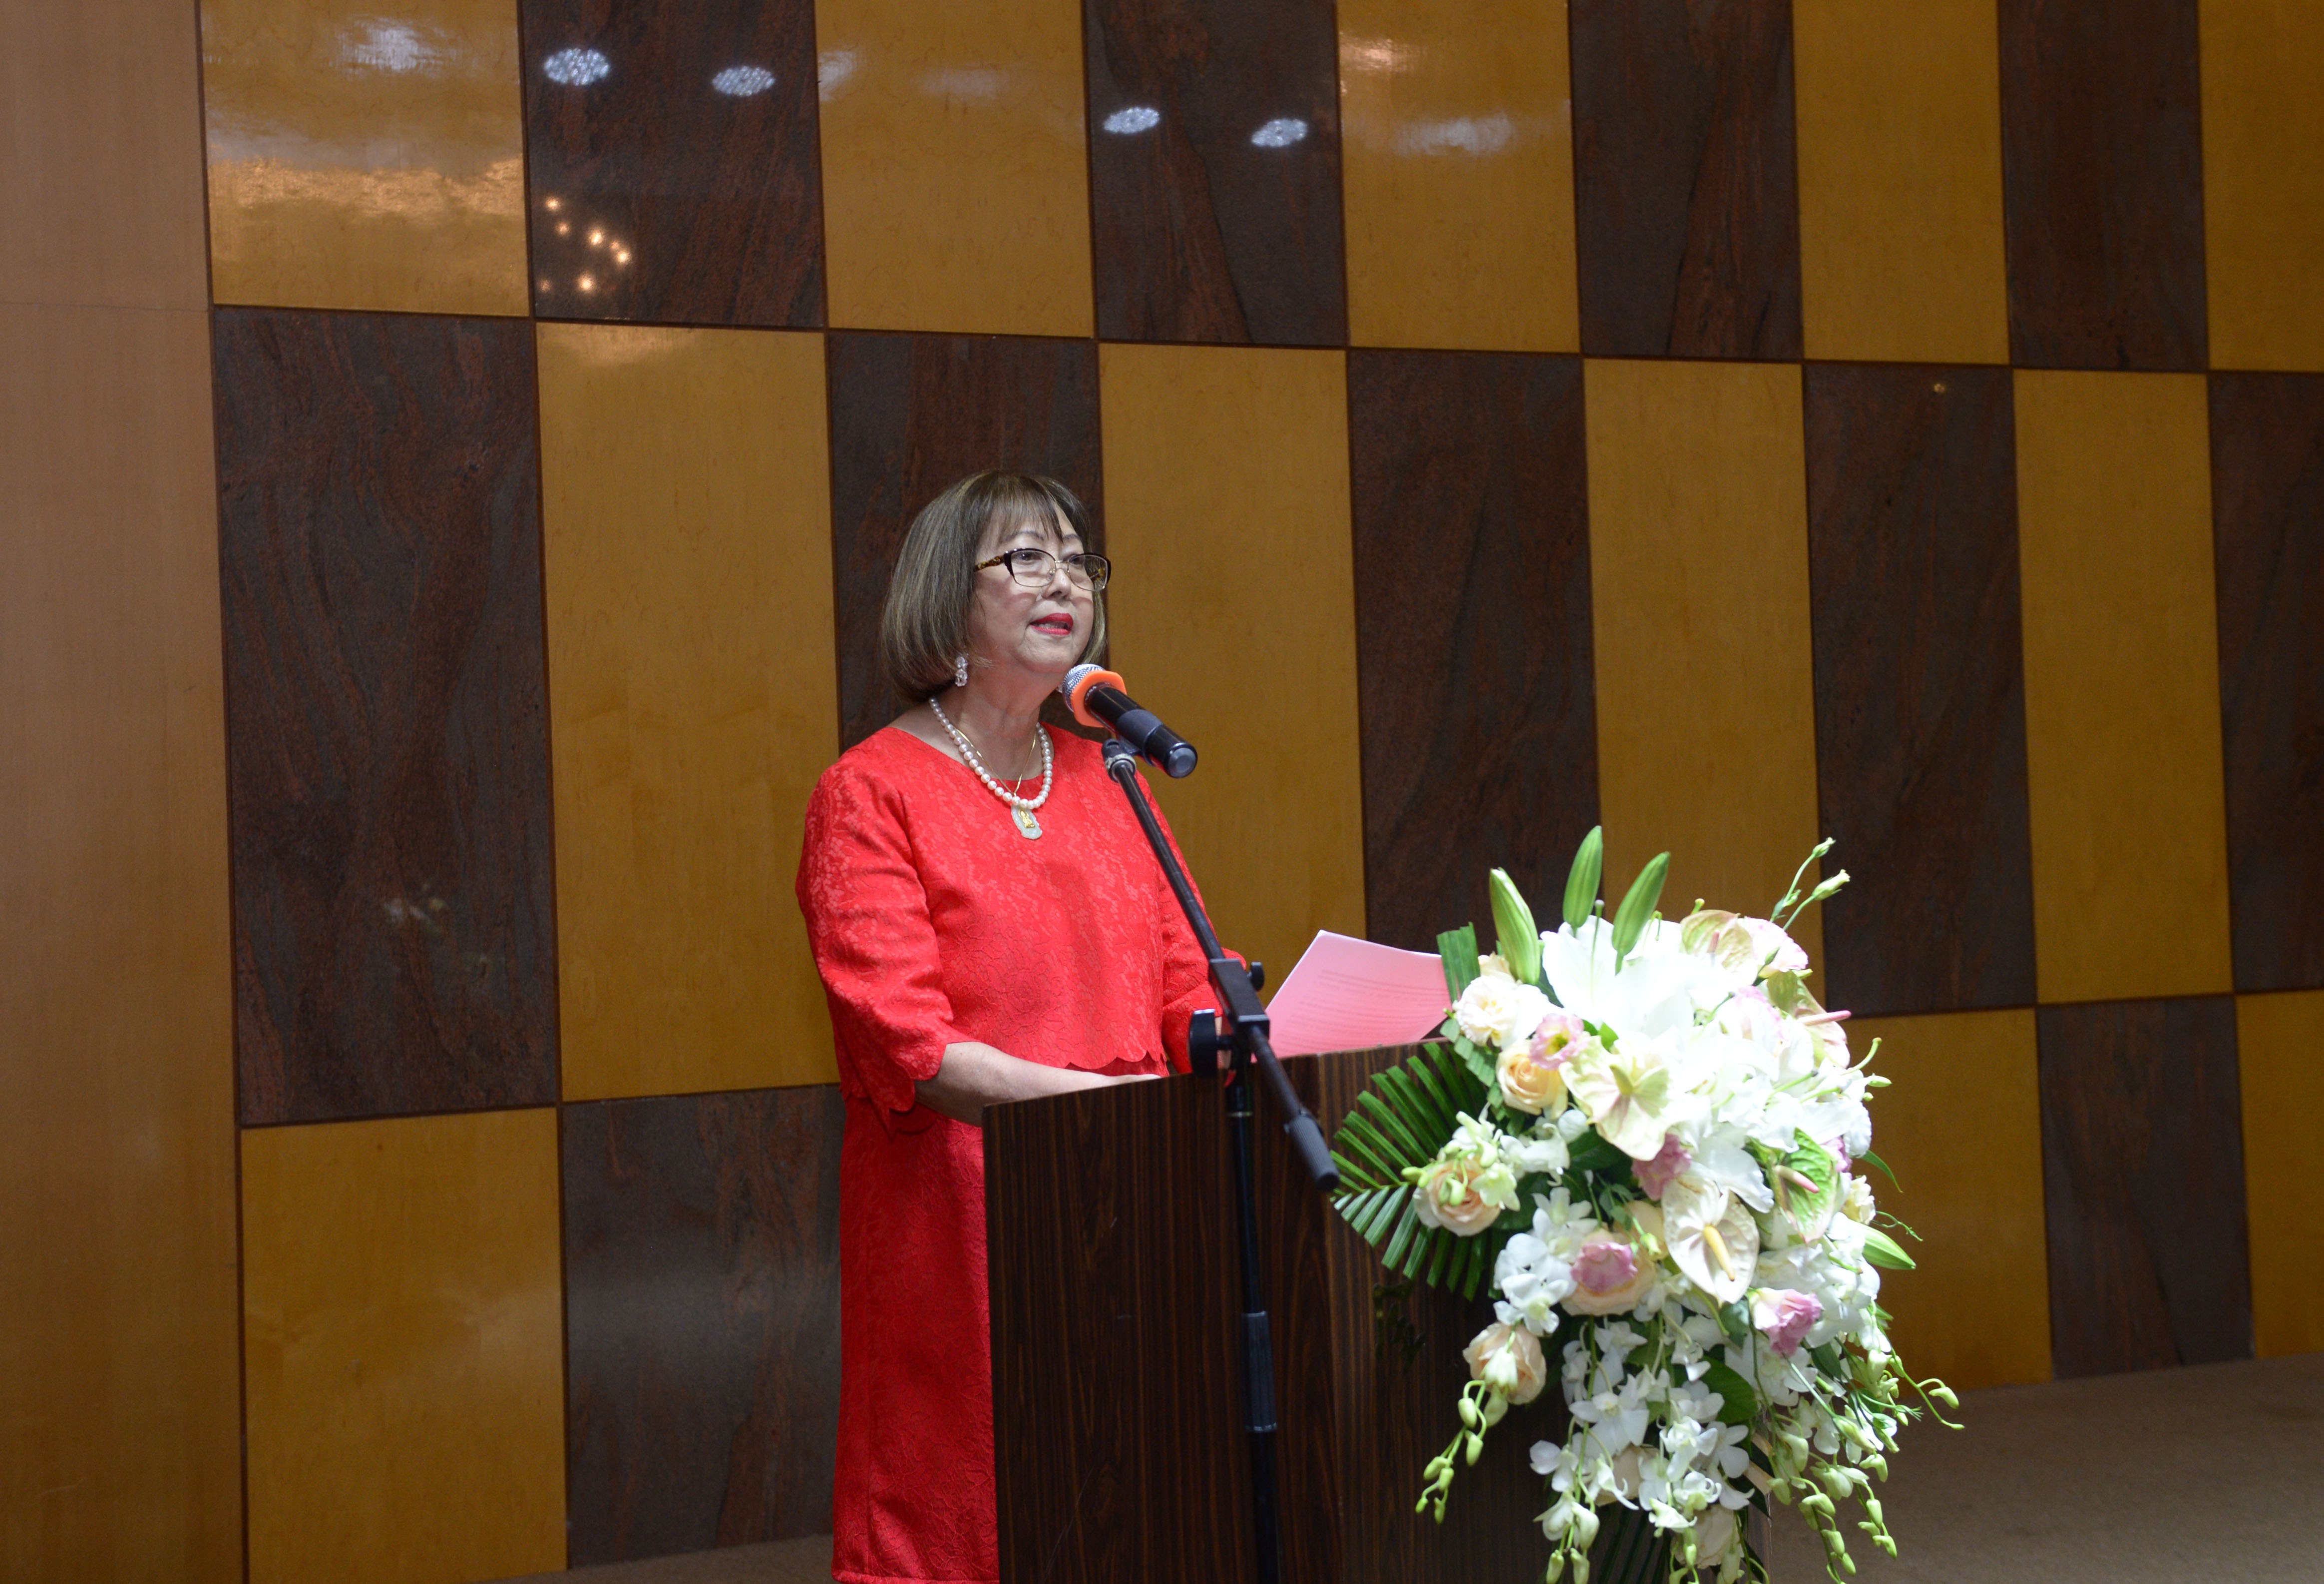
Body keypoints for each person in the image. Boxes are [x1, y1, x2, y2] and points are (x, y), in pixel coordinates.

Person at [796, 470, 1220, 1584]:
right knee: (976, 1519)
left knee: (1131, 1508)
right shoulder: (868, 793)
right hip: (961, 1231)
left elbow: (1190, 990)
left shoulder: (1112, 772)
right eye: (1026, 558)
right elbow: (916, 1049)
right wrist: (1113, 1108)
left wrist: (1273, 1044)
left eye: (1077, 560)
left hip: (1133, 1210)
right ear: (947, 592)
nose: (1063, 581)